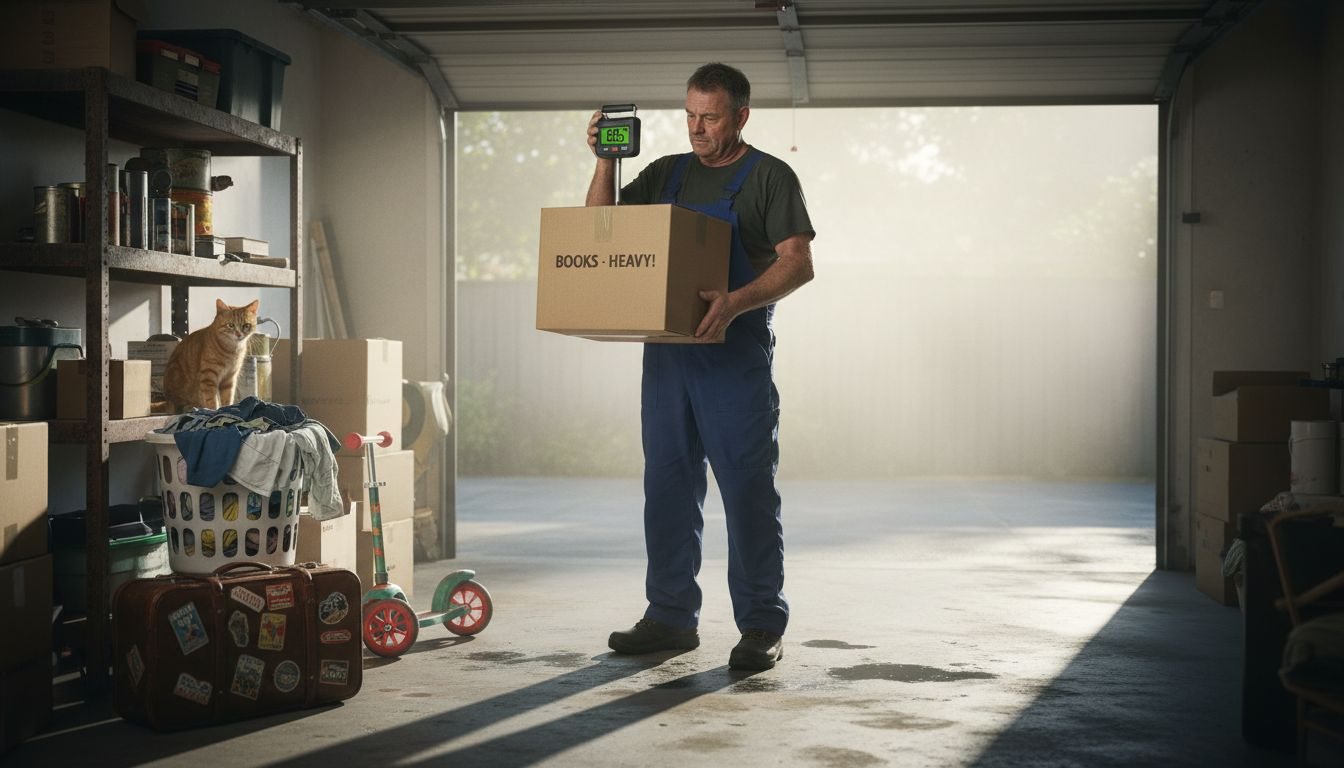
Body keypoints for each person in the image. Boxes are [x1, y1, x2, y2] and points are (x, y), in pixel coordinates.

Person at [585, 63, 815, 671]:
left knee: (745, 491)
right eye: (689, 116)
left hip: (732, 359)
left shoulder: (769, 177)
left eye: (710, 117)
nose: (697, 128)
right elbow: (600, 232)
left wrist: (737, 302)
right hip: (666, 360)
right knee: (665, 488)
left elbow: (798, 262)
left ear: (740, 114)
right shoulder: (666, 173)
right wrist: (607, 161)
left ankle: (762, 623)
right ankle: (668, 617)